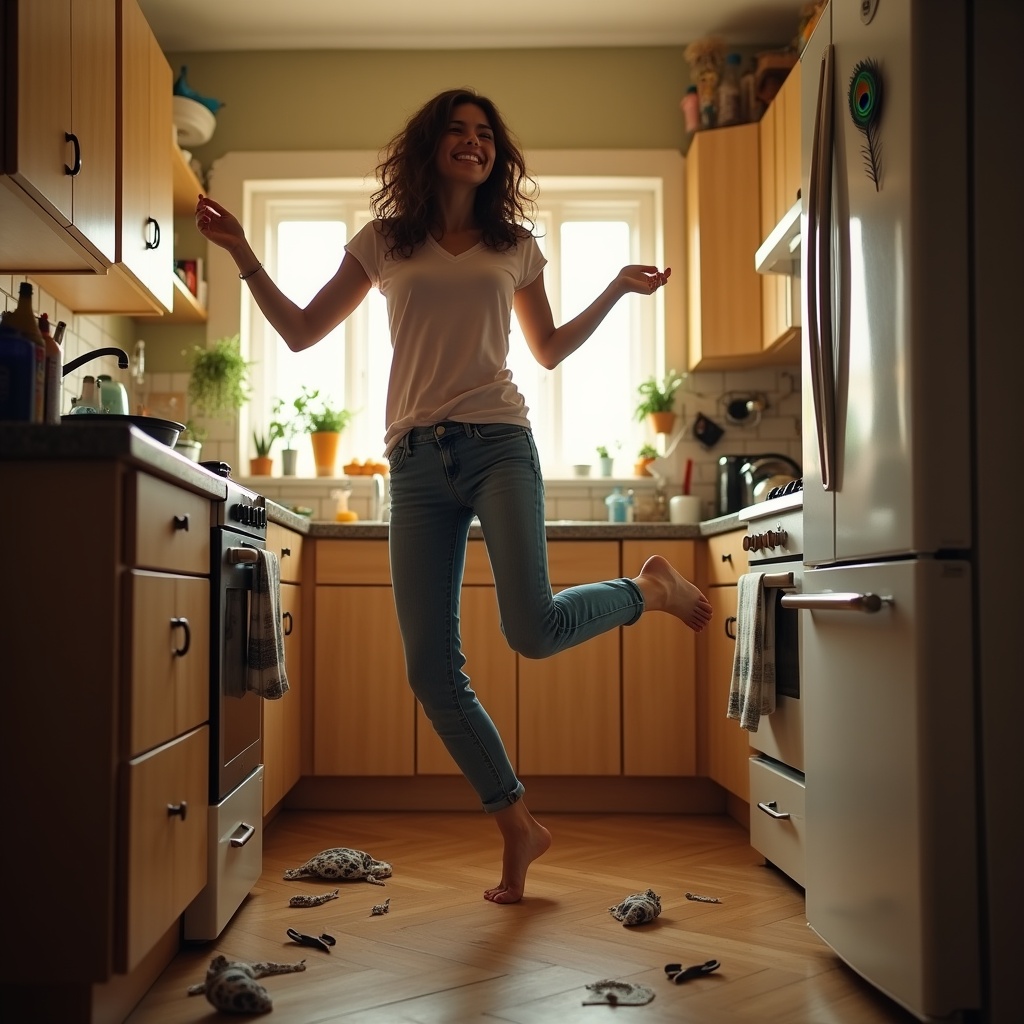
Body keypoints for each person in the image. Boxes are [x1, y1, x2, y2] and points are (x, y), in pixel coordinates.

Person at [196, 87, 713, 904]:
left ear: (494, 154)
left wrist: (614, 289)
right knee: (431, 673)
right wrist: (241, 253)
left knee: (532, 630)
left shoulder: (516, 245)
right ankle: (518, 827)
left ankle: (646, 589)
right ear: (430, 145)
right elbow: (299, 330)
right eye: (458, 131)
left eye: (485, 134)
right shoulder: (384, 242)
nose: (473, 143)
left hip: (500, 444)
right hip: (414, 464)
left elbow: (546, 351)